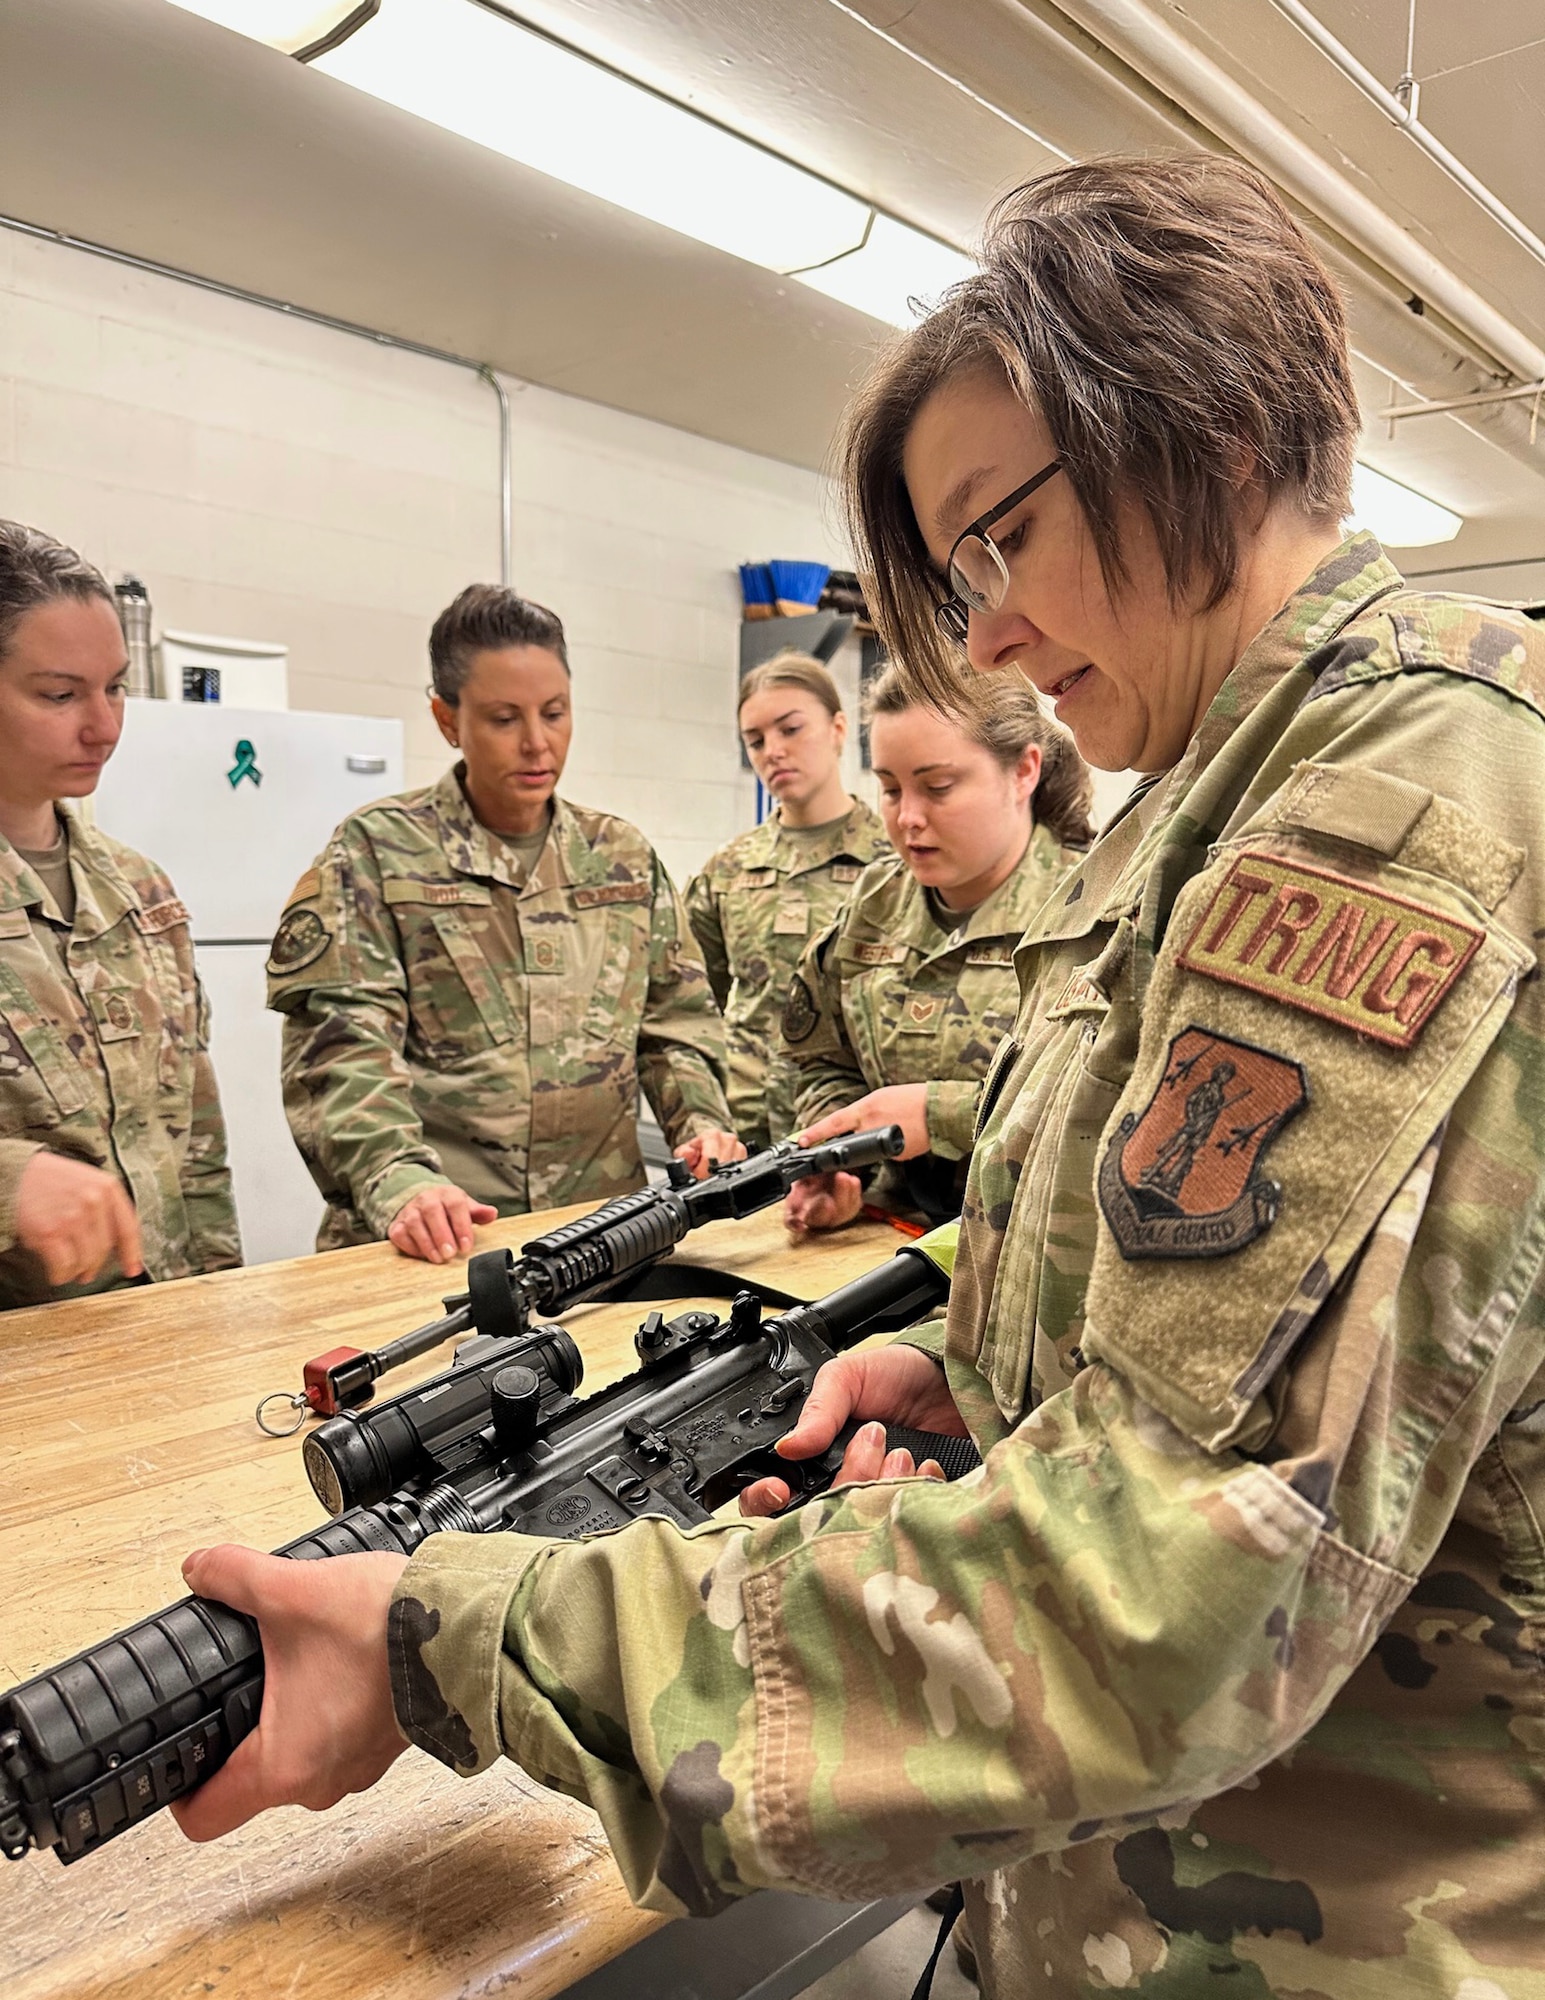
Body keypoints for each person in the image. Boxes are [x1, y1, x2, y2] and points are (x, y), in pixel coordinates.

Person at [169, 156, 1545, 1998]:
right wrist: (981, 1359)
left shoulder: (1387, 833)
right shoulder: (1228, 806)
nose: (980, 632)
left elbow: (1154, 1610)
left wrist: (451, 1633)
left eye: (999, 537)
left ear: (1205, 438)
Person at [267, 586, 739, 1263]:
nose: (536, 743)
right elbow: (343, 1050)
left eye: (555, 712)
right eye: (502, 718)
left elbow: (676, 1023)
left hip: (600, 1237)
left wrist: (702, 1127)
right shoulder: (378, 853)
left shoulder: (621, 858)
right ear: (445, 718)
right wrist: (399, 1182)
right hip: (442, 1241)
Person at [0, 521, 239, 1310]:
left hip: (152, 1348)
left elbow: (195, 1147)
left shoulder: (141, 894)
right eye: (60, 694)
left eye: (115, 688)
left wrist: (217, 1311)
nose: (103, 725)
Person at [778, 665, 1090, 1231]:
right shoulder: (873, 905)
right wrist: (843, 1163)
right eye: (891, 789)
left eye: (938, 787)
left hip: (1033, 1254)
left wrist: (937, 1115)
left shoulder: (1090, 913)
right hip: (882, 1249)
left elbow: (1100, 1107)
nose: (907, 818)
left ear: (1023, 771)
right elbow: (824, 1057)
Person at [684, 652, 889, 1151]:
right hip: (741, 1134)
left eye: (790, 729)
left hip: (849, 1136)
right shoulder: (729, 868)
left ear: (839, 729)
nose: (772, 751)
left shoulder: (892, 864)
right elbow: (686, 1006)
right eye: (755, 741)